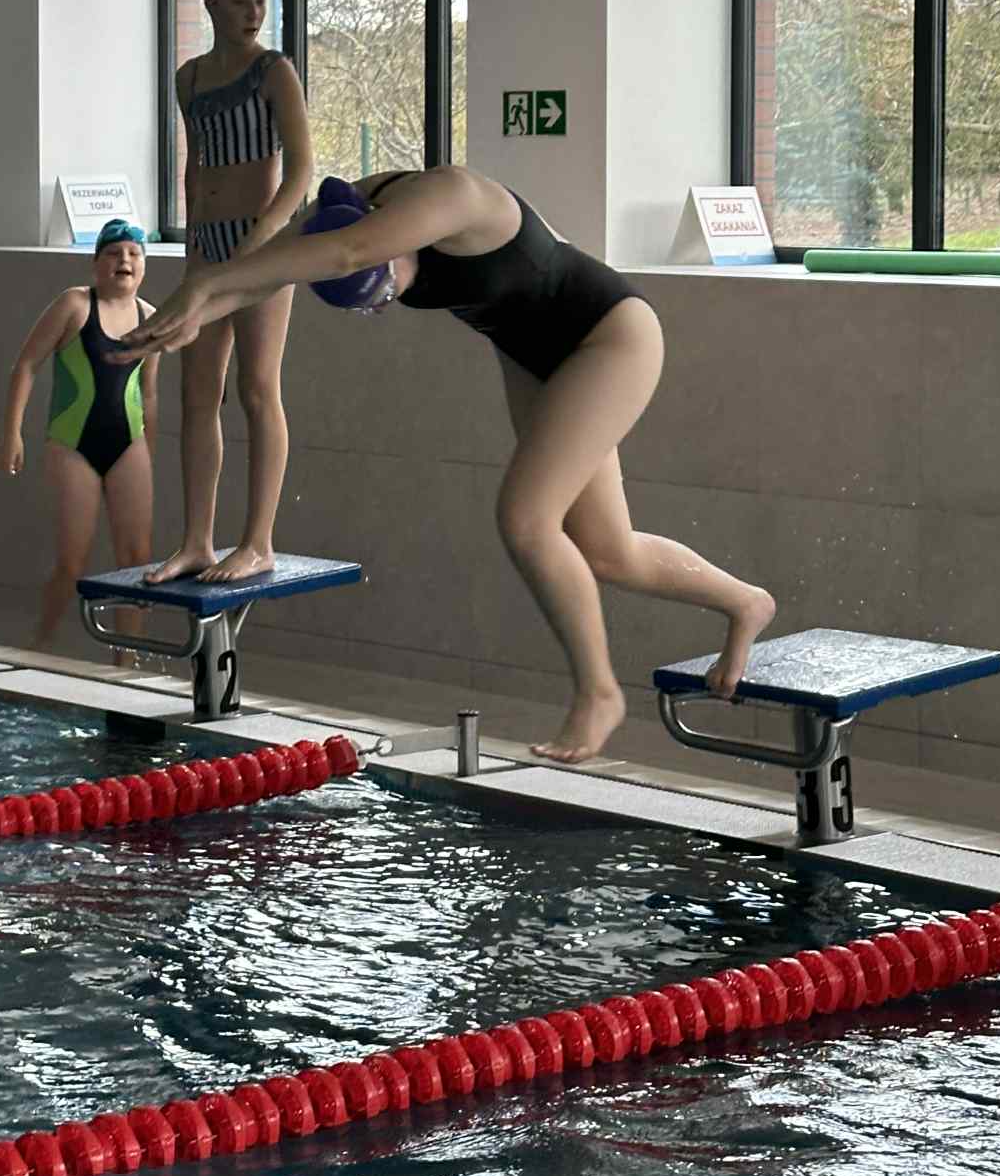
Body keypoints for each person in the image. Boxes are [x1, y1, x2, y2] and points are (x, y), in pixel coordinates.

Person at [117, 167, 775, 764]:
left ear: (388, 240)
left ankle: (599, 693)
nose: (387, 300)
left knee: (527, 519)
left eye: (385, 286)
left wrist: (206, 281)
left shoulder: (453, 195)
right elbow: (267, 272)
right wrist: (184, 318)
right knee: (608, 551)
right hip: (533, 357)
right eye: (372, 304)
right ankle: (746, 602)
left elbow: (348, 253)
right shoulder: (341, 217)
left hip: (608, 337)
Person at [158, 0, 311, 585]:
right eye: (241, 1)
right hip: (209, 246)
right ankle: (196, 540)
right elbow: (196, 167)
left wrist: (261, 240)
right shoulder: (190, 79)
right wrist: (196, 251)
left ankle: (258, 542)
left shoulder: (274, 71)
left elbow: (300, 170)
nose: (254, 13)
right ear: (211, 2)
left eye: (261, 0)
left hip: (261, 246)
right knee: (197, 391)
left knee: (256, 388)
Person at [0, 219, 162, 649]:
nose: (124, 260)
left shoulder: (150, 317)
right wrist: (13, 433)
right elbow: (26, 365)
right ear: (96, 264)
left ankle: (128, 661)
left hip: (130, 446)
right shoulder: (74, 305)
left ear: (144, 265)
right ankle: (42, 644)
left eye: (134, 253)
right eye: (113, 253)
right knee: (73, 562)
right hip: (73, 445)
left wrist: (149, 448)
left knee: (137, 561)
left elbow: (148, 391)